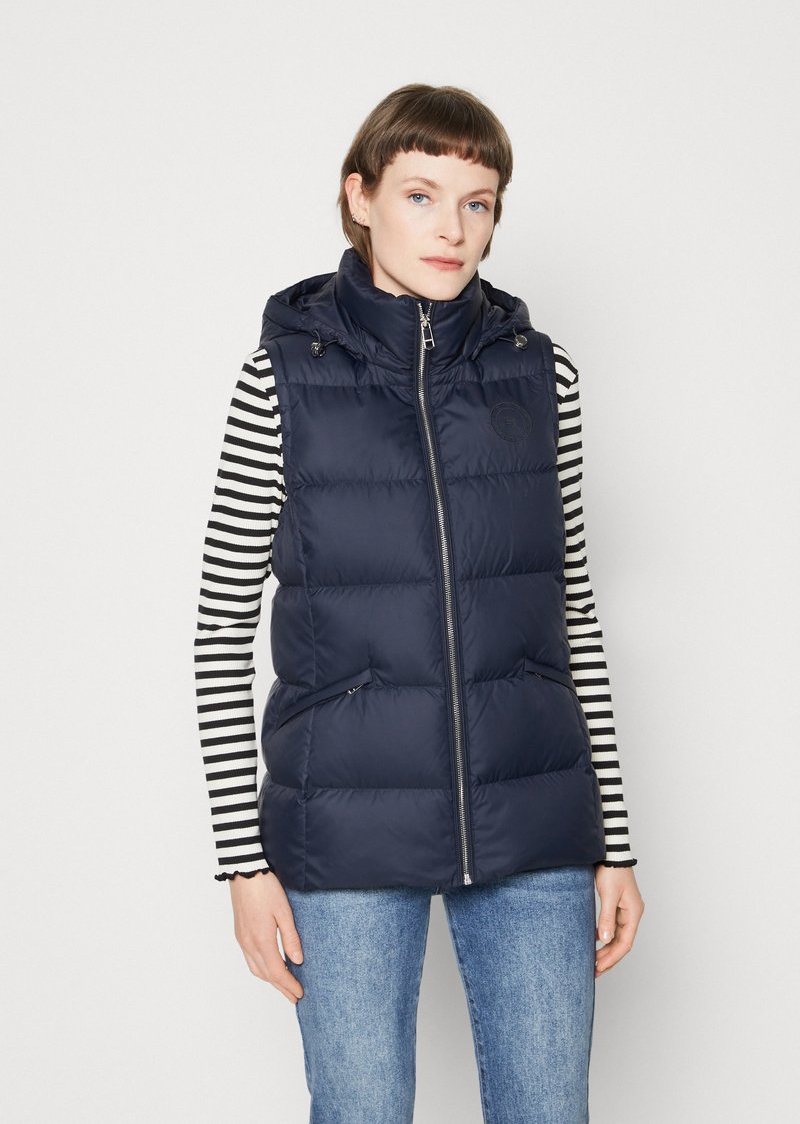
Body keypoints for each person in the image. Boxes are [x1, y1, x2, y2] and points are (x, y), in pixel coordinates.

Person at [193, 83, 645, 1123]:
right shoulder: (280, 384)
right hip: (341, 831)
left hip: (533, 822)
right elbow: (219, 628)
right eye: (420, 194)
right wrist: (241, 865)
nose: (451, 227)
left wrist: (613, 839)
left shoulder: (543, 379)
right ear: (360, 198)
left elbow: (571, 613)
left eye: (476, 202)